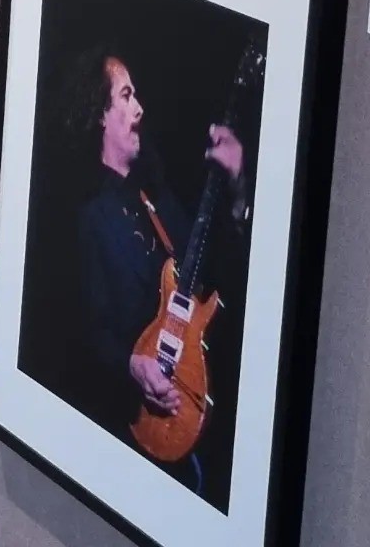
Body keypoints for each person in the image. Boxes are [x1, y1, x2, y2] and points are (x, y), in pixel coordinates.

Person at [63, 46, 248, 462]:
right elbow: (87, 331)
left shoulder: (155, 194)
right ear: (100, 114)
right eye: (126, 96)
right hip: (133, 429)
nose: (140, 108)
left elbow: (219, 273)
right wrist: (131, 365)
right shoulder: (91, 217)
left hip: (201, 405)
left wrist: (237, 192)